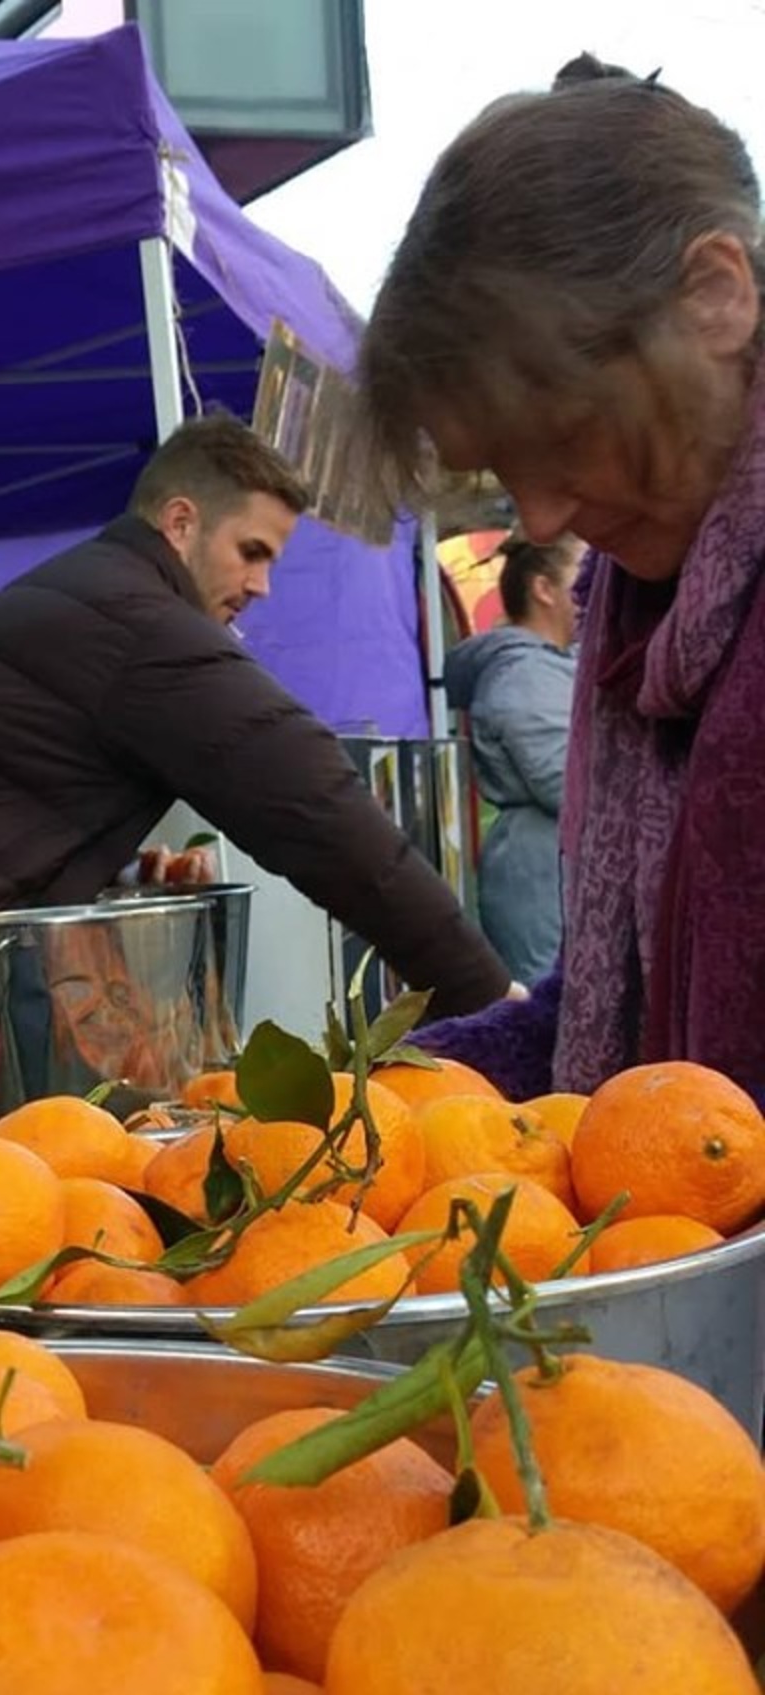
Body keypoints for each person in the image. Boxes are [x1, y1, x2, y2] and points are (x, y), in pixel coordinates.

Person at [0, 411, 512, 1019]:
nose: (262, 586)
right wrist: (477, 990)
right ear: (180, 522)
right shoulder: (139, 626)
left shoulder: (81, 589)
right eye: (251, 551)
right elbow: (315, 806)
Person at [352, 65, 765, 1098]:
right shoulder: (637, 629)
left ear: (716, 297)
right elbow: (599, 1009)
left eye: (565, 433)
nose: (535, 520)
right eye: (502, 467)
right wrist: (384, 1090)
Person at [444, 533, 583, 983]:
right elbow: (567, 782)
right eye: (582, 575)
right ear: (544, 589)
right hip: (541, 878)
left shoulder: (548, 665)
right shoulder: (523, 671)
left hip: (551, 868)